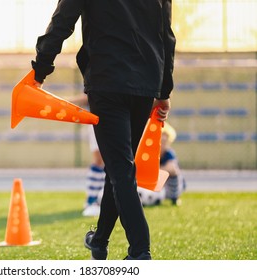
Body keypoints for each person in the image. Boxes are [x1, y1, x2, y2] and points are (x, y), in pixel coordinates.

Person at [31, 0, 176, 260]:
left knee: (121, 169)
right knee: (119, 167)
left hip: (107, 81)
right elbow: (166, 35)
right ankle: (99, 241)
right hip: (145, 82)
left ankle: (140, 251)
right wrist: (164, 91)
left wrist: (40, 70)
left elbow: (63, 21)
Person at [69, 93, 105, 217]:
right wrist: (67, 101)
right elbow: (90, 96)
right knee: (99, 159)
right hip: (99, 117)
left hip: (115, 114)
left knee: (110, 161)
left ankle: (102, 199)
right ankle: (91, 200)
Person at [160, 122, 187, 205]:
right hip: (159, 183)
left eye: (165, 141)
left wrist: (157, 170)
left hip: (169, 184)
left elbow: (171, 168)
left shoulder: (169, 154)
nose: (162, 144)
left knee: (174, 171)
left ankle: (174, 197)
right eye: (161, 140)